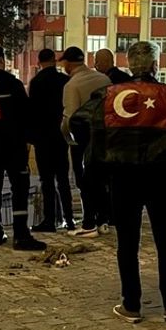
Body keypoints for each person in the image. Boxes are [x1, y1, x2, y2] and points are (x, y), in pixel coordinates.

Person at [70, 40, 166, 323]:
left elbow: (78, 123)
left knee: (127, 242)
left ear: (128, 65)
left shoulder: (107, 95)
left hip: (122, 178)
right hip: (160, 177)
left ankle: (131, 305)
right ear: (156, 66)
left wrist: (101, 155)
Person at [0, 44, 47, 251]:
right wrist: (29, 139)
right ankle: (21, 234)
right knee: (19, 188)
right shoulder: (12, 85)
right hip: (13, 146)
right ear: (2, 60)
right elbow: (26, 113)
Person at [60, 46, 112, 237]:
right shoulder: (104, 79)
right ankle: (103, 220)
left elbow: (70, 118)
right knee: (102, 180)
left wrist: (67, 138)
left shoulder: (72, 86)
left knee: (85, 181)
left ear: (68, 63)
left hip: (82, 140)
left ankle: (89, 222)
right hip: (105, 137)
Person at [27, 48, 76, 232]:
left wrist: (31, 137)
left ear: (40, 62)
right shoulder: (64, 80)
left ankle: (50, 220)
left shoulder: (36, 82)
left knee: (46, 180)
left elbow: (31, 111)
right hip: (60, 136)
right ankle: (69, 219)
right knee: (63, 179)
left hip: (42, 138)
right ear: (54, 61)